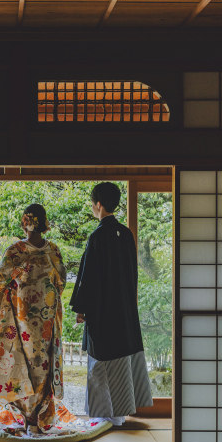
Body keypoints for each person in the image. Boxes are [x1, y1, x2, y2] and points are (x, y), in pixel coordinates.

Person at [0, 204, 109, 442]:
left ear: (25, 222)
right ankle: (34, 415)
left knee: (27, 360)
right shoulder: (52, 250)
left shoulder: (16, 250)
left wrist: (16, 287)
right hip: (43, 314)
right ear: (44, 222)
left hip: (24, 314)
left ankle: (31, 415)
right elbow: (61, 282)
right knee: (40, 361)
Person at [70, 182, 153, 426]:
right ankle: (119, 415)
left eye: (93, 203)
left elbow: (89, 276)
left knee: (102, 361)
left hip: (103, 311)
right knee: (122, 359)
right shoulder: (125, 234)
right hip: (124, 308)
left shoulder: (98, 236)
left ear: (98, 205)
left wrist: (82, 308)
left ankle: (103, 415)